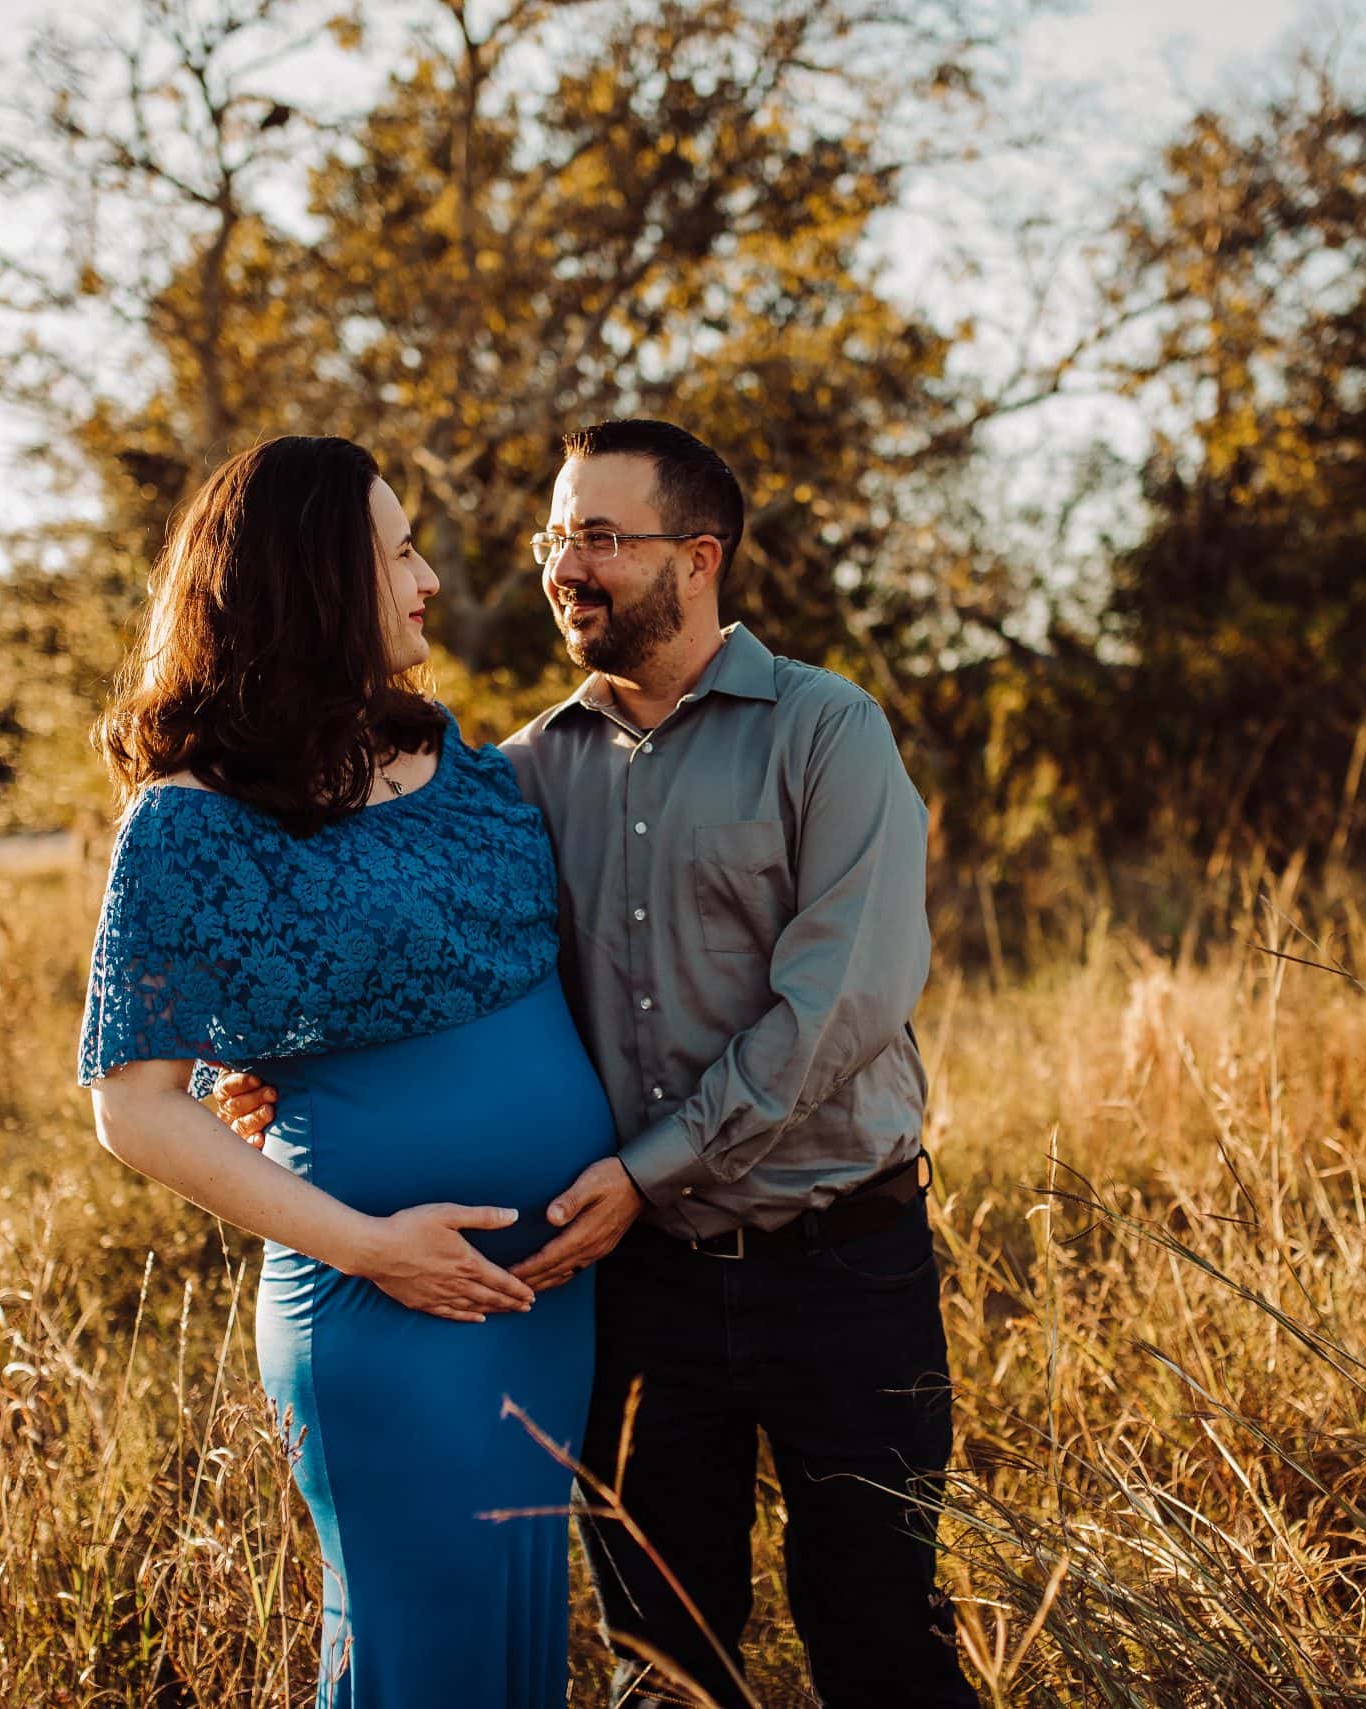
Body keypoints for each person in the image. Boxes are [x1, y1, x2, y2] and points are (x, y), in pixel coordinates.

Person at [218, 420, 982, 1707]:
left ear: (699, 556)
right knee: (662, 1658)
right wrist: (293, 1061)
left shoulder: (825, 733)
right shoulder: (513, 775)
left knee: (881, 1632)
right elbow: (425, 948)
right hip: (633, 1287)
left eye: (600, 538)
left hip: (842, 1264)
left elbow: (836, 1006)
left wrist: (649, 1165)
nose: (565, 566)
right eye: (554, 538)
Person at [76, 434, 611, 1708]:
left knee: (512, 1649)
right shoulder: (191, 818)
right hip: (386, 1306)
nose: (427, 577)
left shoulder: (462, 764)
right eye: (399, 551)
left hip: (544, 1301)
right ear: (316, 578)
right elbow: (131, 1105)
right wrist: (374, 1246)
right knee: (415, 1658)